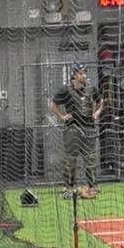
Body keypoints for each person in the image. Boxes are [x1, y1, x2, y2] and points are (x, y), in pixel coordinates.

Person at [50, 65, 104, 199]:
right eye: (81, 73)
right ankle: (69, 189)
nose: (84, 76)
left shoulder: (92, 89)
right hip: (72, 129)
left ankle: (92, 187)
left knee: (90, 159)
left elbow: (101, 101)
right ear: (74, 75)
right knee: (70, 160)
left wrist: (97, 112)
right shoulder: (66, 90)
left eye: (85, 73)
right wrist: (62, 116)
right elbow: (53, 104)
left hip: (89, 129)